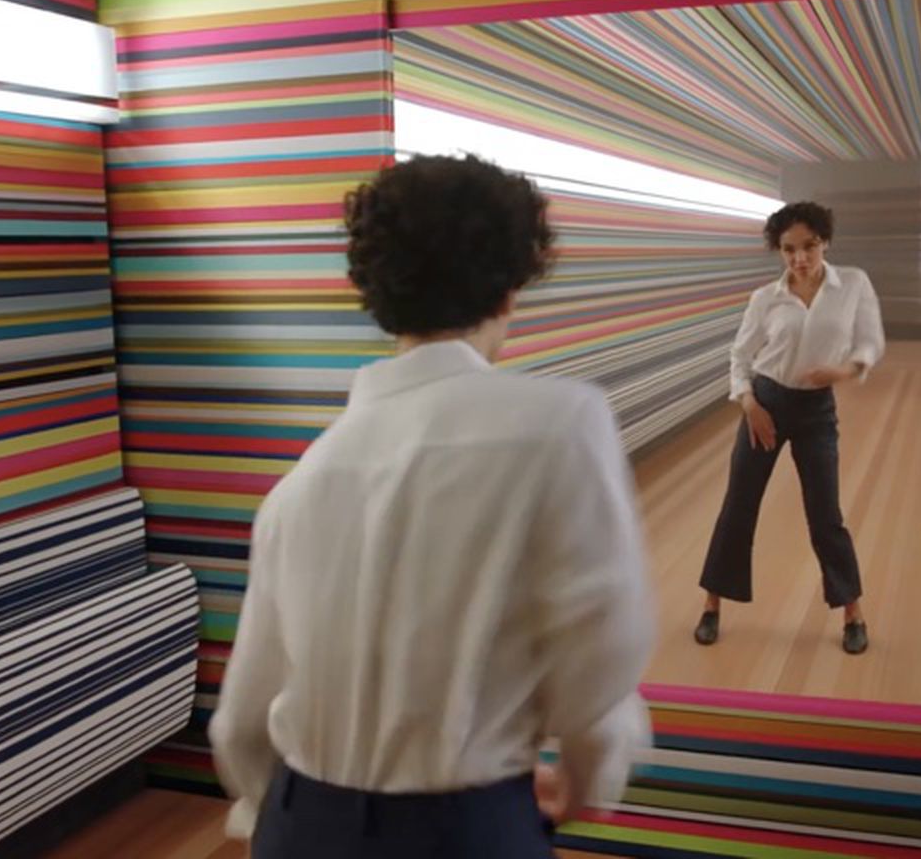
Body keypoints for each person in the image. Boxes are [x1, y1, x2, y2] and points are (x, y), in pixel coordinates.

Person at [208, 154, 655, 859]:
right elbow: (598, 667)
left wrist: (290, 819)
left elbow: (238, 727)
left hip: (299, 823)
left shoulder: (303, 483)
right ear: (510, 289)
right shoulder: (560, 425)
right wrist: (586, 779)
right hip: (462, 830)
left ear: (377, 293)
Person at [693, 201, 885, 655]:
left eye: (810, 246)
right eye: (789, 249)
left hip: (817, 411)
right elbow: (740, 358)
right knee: (739, 506)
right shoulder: (766, 298)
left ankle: (852, 613)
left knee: (825, 516)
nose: (800, 258)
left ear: (825, 242)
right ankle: (711, 606)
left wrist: (843, 372)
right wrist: (749, 404)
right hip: (767, 403)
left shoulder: (853, 284)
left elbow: (871, 341)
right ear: (779, 251)